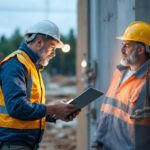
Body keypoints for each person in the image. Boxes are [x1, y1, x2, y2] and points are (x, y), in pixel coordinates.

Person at [0, 20, 79, 150]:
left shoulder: (31, 66)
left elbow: (29, 107)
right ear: (39, 43)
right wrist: (52, 108)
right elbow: (17, 107)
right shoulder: (15, 64)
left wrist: (57, 114)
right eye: (52, 47)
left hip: (23, 144)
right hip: (12, 142)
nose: (54, 53)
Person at [91, 21, 150, 150]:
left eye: (127, 46)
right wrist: (97, 142)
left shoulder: (147, 82)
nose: (122, 50)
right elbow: (107, 111)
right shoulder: (119, 73)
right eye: (122, 45)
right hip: (106, 146)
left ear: (140, 49)